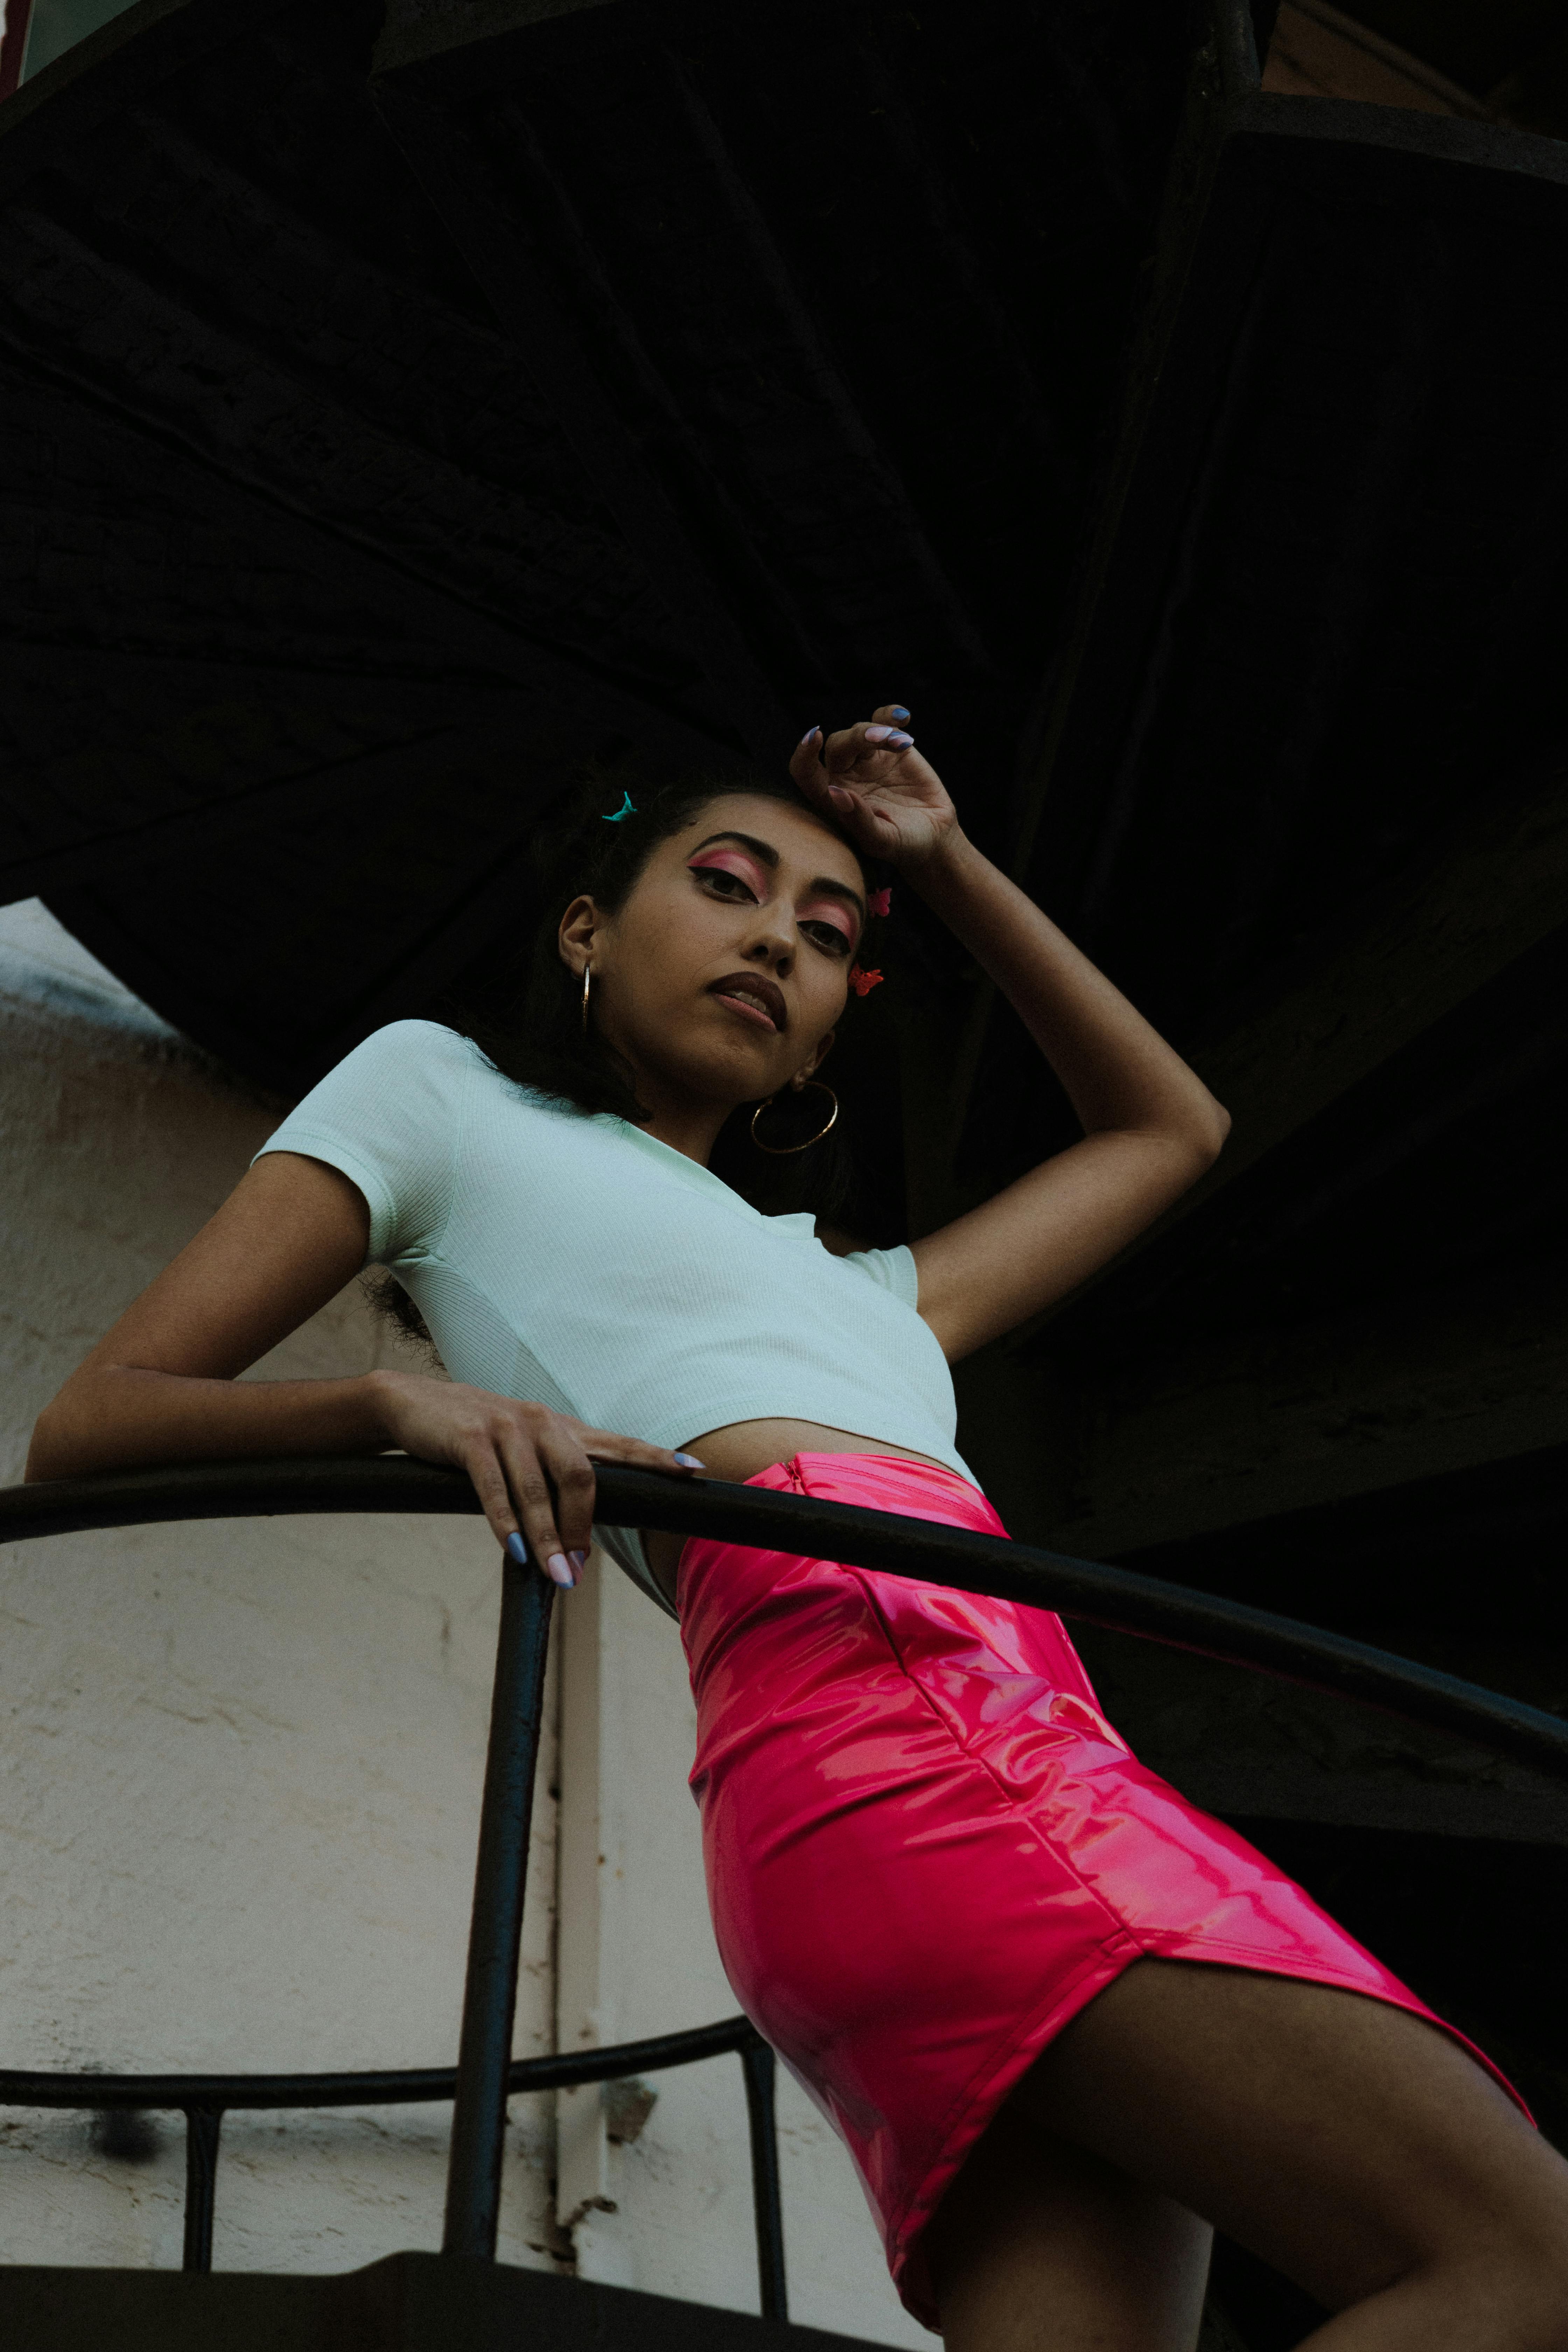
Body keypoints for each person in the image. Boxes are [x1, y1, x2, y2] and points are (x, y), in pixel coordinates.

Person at [28, 713, 1568, 2350]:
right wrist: (395, 1407)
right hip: (908, 1739)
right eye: (726, 883)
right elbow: (92, 1423)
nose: (777, 934)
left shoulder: (876, 1300)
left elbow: (1166, 1130)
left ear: (829, 1032)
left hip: (948, 1772)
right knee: (1526, 2255)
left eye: (828, 933)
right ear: (586, 929)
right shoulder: (444, 1092)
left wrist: (946, 862)